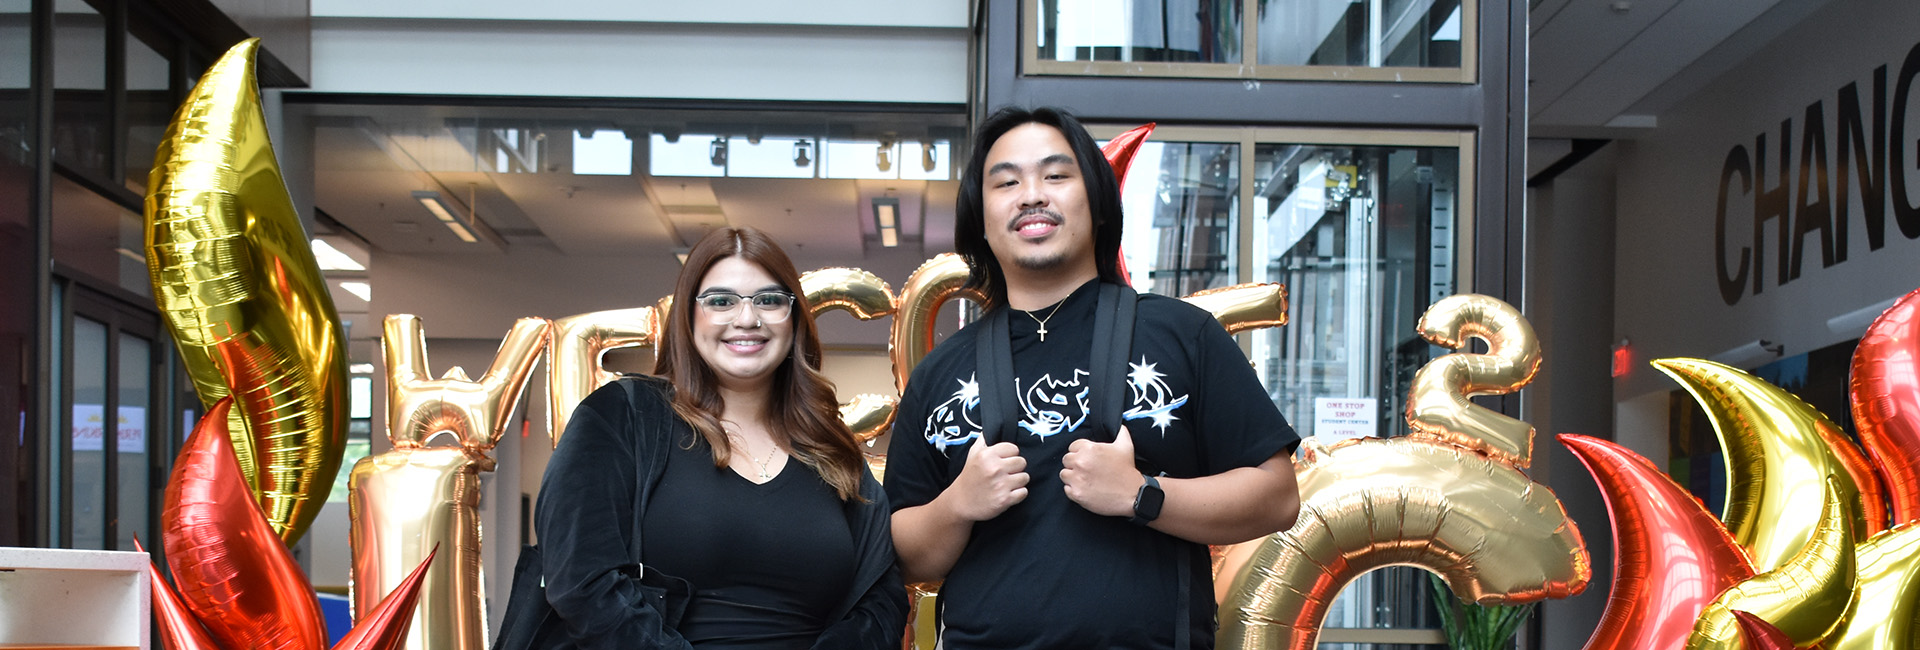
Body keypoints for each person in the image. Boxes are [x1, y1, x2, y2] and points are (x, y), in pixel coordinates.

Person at [884, 107, 1303, 649]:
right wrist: (958, 502)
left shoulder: (1183, 332)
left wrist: (1140, 494)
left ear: (1100, 206)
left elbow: (1277, 496)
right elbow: (904, 554)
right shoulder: (940, 371)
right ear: (981, 222)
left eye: (1056, 176)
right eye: (1006, 182)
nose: (1032, 194)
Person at [533, 227, 906, 649]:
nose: (747, 319)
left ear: (795, 318)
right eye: (721, 301)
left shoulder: (831, 449)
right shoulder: (622, 416)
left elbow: (881, 601)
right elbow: (581, 579)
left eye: (769, 300)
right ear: (689, 318)